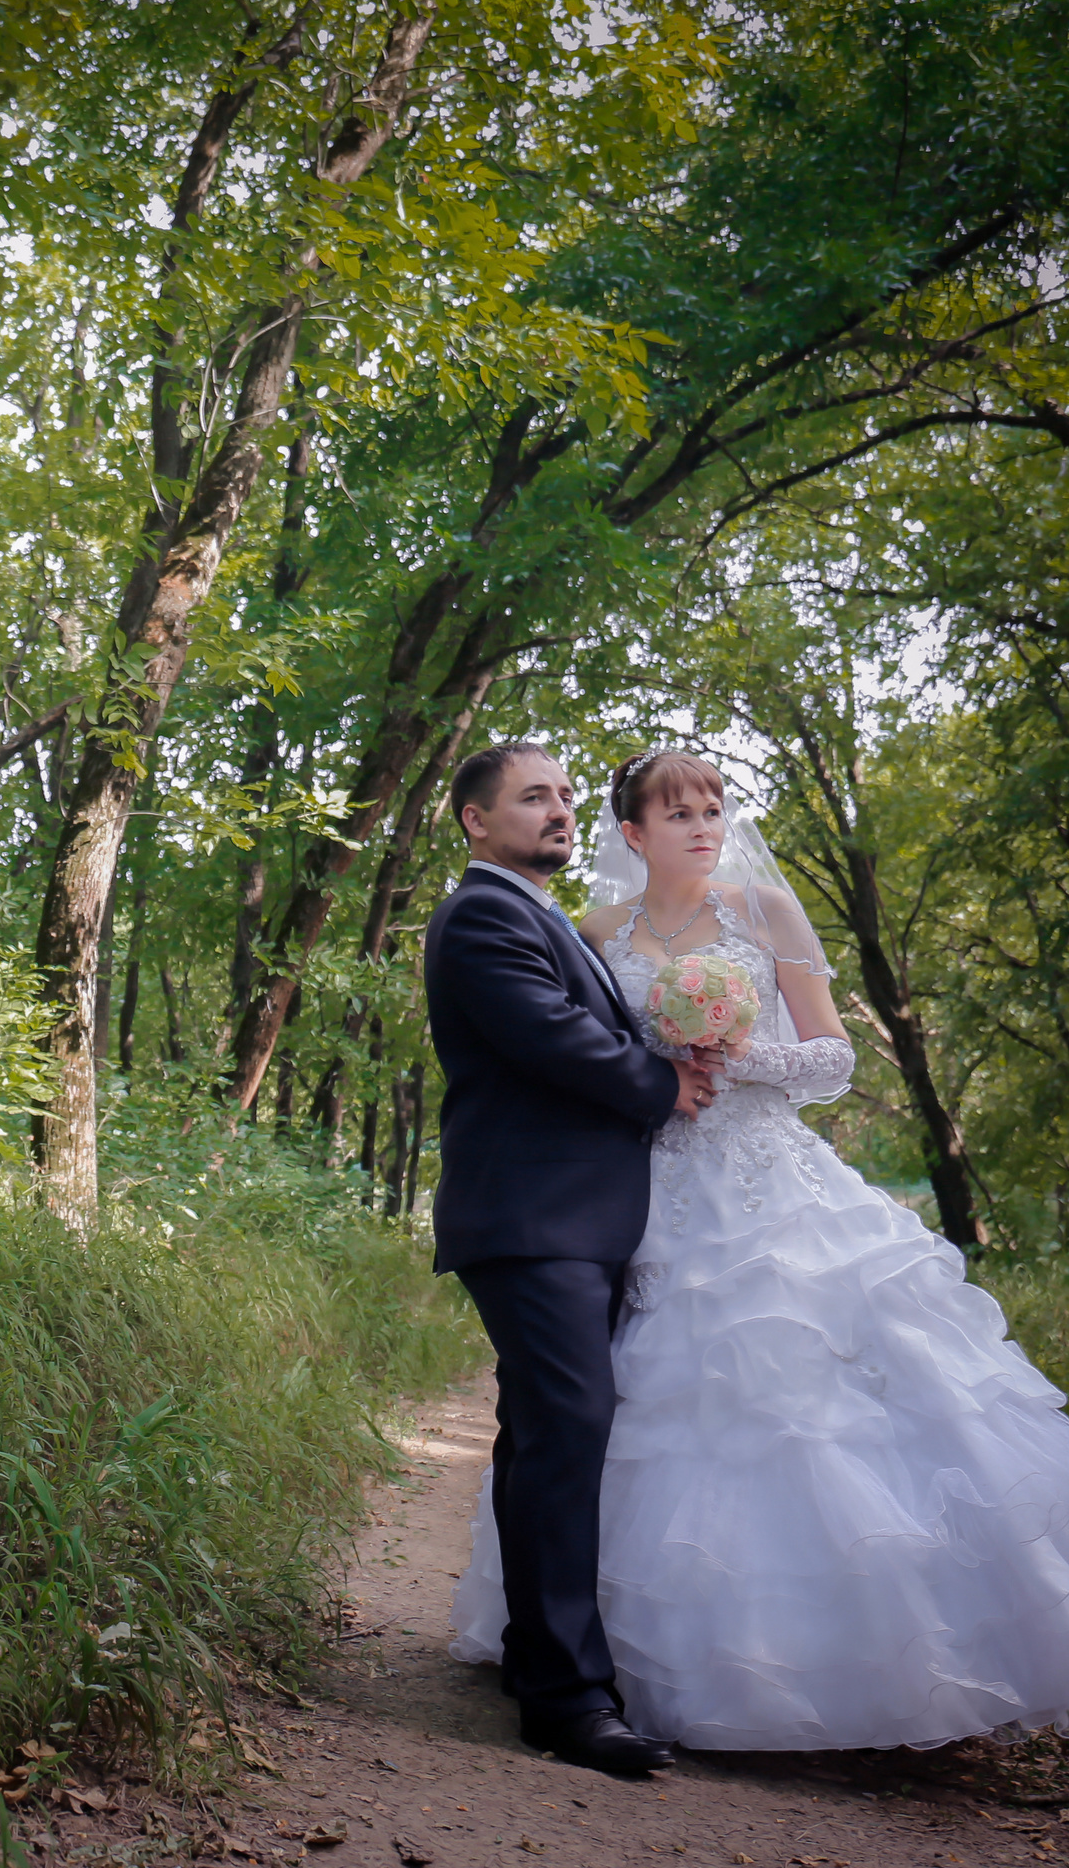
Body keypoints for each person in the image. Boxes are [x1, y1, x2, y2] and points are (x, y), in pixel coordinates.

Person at [446, 746, 1069, 1755]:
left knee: (785, 1405)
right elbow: (566, 1049)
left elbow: (831, 1055)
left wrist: (733, 1057)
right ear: (635, 834)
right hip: (642, 1193)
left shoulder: (763, 914)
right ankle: (576, 1671)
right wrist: (661, 1077)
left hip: (757, 1174)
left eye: (714, 808)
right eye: (678, 813)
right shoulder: (584, 929)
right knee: (593, 1418)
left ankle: (843, 1665)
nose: (703, 826)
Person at [424, 740, 721, 1775]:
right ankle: (566, 1699)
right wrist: (661, 1086)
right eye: (531, 798)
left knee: (543, 1433)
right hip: (529, 1218)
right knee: (568, 1426)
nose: (557, 811)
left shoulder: (544, 916)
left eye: (561, 796)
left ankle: (534, 1658)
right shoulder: (483, 916)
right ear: (475, 820)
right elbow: (548, 1034)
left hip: (578, 1221)